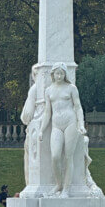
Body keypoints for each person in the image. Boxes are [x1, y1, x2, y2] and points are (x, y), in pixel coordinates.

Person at [38, 62, 86, 197]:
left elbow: (78, 107)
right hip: (56, 125)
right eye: (57, 73)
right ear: (53, 75)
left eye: (61, 73)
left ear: (65, 74)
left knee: (68, 157)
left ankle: (66, 189)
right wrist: (42, 129)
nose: (59, 76)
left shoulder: (71, 88)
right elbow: (47, 112)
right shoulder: (49, 90)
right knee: (55, 156)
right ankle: (58, 184)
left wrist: (81, 125)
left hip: (71, 123)